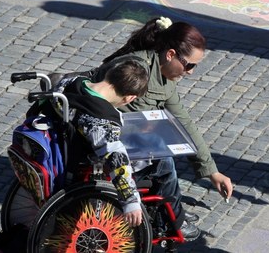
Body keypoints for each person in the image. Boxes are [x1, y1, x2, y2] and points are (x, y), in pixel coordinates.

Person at [91, 16, 233, 240]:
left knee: (163, 150)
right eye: (189, 65)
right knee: (163, 161)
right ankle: (172, 221)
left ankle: (172, 211)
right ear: (170, 55)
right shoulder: (136, 71)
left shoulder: (163, 78)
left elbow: (183, 122)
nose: (191, 72)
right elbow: (113, 112)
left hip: (121, 135)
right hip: (103, 140)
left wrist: (211, 170)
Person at [54, 59, 149, 227]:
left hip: (62, 147)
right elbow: (116, 159)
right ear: (130, 97)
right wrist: (131, 202)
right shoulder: (102, 121)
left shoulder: (70, 83)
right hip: (87, 165)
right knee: (163, 166)